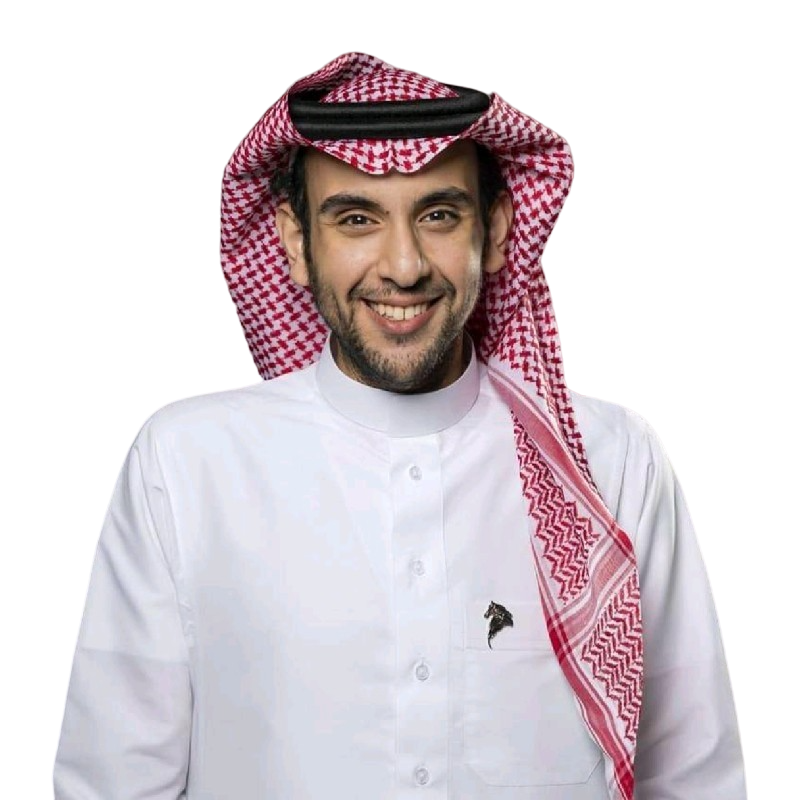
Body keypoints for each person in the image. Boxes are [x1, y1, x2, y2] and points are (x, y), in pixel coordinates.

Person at [53, 53, 747, 799]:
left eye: (439, 214)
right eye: (357, 219)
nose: (405, 266)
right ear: (294, 242)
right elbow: (114, 783)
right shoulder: (189, 465)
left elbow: (693, 778)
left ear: (496, 230)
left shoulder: (611, 463)